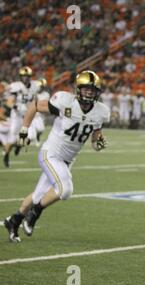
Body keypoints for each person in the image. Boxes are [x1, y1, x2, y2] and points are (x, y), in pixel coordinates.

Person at [3, 70, 110, 243]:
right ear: (78, 89)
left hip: (67, 160)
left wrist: (99, 143)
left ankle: (13, 220)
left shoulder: (101, 112)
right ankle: (34, 214)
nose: (89, 92)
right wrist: (24, 131)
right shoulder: (65, 102)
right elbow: (35, 105)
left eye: (92, 89)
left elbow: (95, 139)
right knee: (65, 189)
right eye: (86, 89)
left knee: (39, 195)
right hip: (51, 154)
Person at [3, 67, 41, 167]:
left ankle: (19, 145)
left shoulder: (35, 85)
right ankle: (6, 155)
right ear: (20, 77)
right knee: (12, 139)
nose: (26, 78)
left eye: (27, 76)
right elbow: (9, 101)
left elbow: (35, 98)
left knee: (31, 136)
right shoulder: (16, 86)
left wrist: (36, 107)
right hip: (17, 115)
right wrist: (15, 106)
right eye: (24, 76)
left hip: (28, 114)